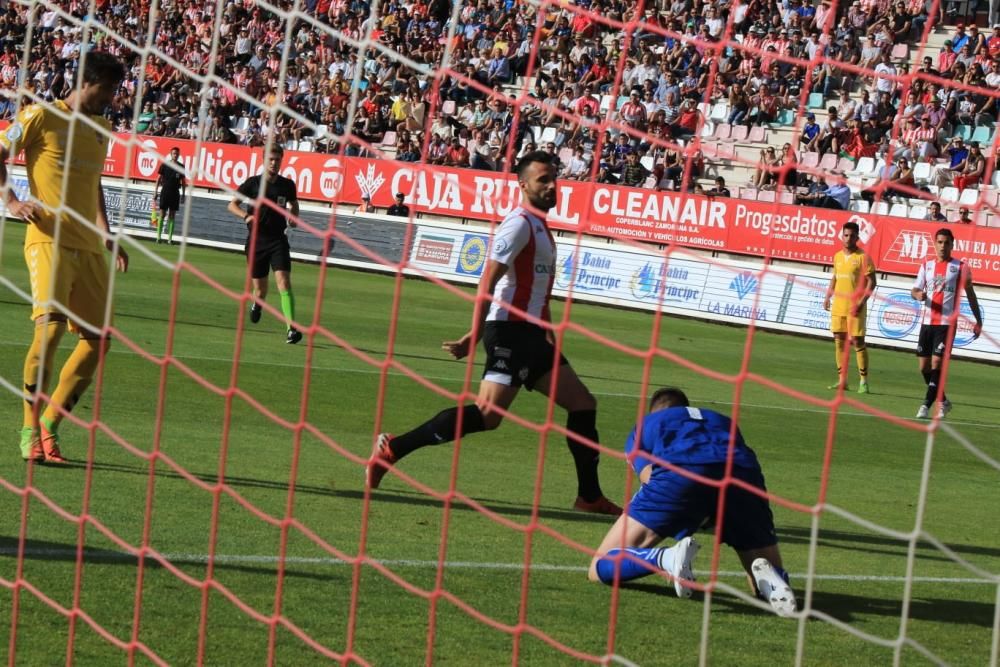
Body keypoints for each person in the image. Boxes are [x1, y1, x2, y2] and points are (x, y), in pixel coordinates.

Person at [367, 151, 621, 515]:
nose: (551, 187)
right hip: (509, 331)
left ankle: (590, 497)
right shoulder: (518, 224)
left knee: (582, 404)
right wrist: (474, 334)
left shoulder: (540, 226)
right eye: (542, 181)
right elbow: (488, 278)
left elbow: (538, 292)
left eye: (554, 179)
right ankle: (394, 448)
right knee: (488, 416)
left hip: (532, 334)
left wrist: (548, 335)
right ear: (523, 186)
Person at [0, 51, 129, 463]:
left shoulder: (102, 127)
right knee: (50, 330)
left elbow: (93, 185)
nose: (111, 96)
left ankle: (49, 426)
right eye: (107, 88)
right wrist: (12, 199)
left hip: (89, 245)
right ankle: (27, 431)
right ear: (85, 82)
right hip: (47, 237)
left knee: (98, 341)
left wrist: (107, 234)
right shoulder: (39, 116)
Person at [587, 387, 797, 617]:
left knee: (600, 566)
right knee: (762, 568)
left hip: (681, 475)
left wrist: (690, 512)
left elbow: (649, 478)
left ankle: (666, 558)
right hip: (743, 476)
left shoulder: (647, 424)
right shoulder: (722, 421)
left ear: (653, 411)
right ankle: (772, 580)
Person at [226, 144, 303, 345]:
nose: (274, 163)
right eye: (270, 159)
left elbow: (293, 204)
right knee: (260, 290)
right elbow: (232, 204)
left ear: (281, 160)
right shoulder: (252, 183)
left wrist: (294, 216)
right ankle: (257, 304)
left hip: (278, 241)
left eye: (277, 159)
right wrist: (246, 217)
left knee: (284, 282)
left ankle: (291, 329)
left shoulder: (287, 185)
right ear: (264, 160)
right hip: (256, 243)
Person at [911, 229, 983, 419]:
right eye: (940, 242)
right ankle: (943, 401)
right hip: (927, 323)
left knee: (937, 362)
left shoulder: (961, 267)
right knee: (924, 367)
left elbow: (971, 295)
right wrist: (918, 294)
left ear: (952, 245)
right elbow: (915, 289)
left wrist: (978, 320)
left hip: (946, 324)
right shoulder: (926, 265)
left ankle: (926, 405)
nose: (943, 246)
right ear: (935, 244)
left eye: (947, 243)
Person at [823, 222, 876, 393]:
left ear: (857, 237)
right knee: (839, 341)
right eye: (846, 235)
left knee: (858, 342)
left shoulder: (863, 257)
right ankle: (842, 380)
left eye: (852, 236)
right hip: (839, 306)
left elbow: (872, 282)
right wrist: (828, 295)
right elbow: (835, 277)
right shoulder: (837, 256)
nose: (848, 238)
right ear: (842, 236)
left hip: (855, 307)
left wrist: (861, 303)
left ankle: (863, 381)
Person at [153, 146, 186, 245]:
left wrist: (183, 195)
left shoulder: (181, 167)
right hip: (165, 192)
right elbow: (158, 178)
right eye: (174, 153)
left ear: (179, 155)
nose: (175, 155)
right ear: (171, 154)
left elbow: (183, 182)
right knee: (162, 214)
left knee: (172, 215)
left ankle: (170, 239)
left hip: (175, 193)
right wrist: (155, 191)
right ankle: (158, 237)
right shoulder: (165, 164)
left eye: (177, 153)